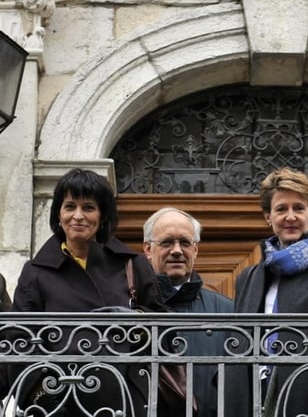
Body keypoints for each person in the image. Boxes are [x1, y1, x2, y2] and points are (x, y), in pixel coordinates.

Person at [7, 168, 166, 415]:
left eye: (89, 207)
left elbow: (165, 333)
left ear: (102, 216)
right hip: (61, 406)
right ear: (59, 214)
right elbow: (18, 343)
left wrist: (135, 319)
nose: (78, 216)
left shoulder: (133, 263)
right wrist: (49, 402)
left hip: (126, 404)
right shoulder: (36, 272)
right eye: (70, 206)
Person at [224, 167, 308, 417]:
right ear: (268, 216)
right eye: (281, 209)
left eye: (299, 208)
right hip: (254, 392)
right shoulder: (249, 276)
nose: (290, 216)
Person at [143, 206, 234, 417]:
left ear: (195, 250)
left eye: (185, 242)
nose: (176, 250)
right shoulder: (132, 307)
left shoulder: (229, 312)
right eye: (166, 242)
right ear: (148, 249)